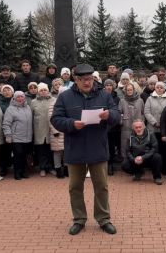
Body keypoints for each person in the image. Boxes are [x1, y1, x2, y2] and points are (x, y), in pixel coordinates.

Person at [51, 63, 120, 236]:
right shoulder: (65, 97)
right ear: (76, 79)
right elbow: (56, 119)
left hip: (98, 147)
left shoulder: (104, 94)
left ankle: (104, 219)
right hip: (75, 148)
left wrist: (109, 115)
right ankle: (79, 219)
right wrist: (71, 124)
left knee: (101, 186)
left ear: (93, 78)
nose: (86, 83)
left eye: (89, 79)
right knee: (75, 187)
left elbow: (117, 115)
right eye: (82, 79)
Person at [3, 91, 33, 180]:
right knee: (18, 156)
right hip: (16, 137)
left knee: (24, 155)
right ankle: (17, 173)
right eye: (18, 97)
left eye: (22, 97)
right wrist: (8, 135)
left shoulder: (28, 107)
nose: (20, 99)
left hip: (27, 137)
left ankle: (24, 171)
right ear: (14, 98)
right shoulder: (10, 109)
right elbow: (6, 123)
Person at [121, 119, 163, 185]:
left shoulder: (151, 134)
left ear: (144, 127)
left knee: (157, 157)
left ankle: (157, 177)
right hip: (136, 159)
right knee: (124, 165)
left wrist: (143, 157)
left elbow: (155, 148)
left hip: (148, 158)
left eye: (140, 127)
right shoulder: (130, 136)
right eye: (136, 127)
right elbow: (127, 151)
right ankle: (138, 172)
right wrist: (133, 159)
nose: (138, 129)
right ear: (133, 128)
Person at [31, 83, 55, 177]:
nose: (43, 92)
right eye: (41, 90)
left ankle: (51, 167)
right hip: (39, 129)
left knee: (51, 150)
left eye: (45, 90)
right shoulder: (33, 102)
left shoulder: (54, 100)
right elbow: (31, 116)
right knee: (41, 150)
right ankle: (42, 168)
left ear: (48, 90)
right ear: (38, 92)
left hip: (51, 129)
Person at [144, 81, 166, 172]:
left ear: (164, 89)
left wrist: (163, 123)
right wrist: (154, 122)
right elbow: (146, 112)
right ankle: (153, 167)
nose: (159, 89)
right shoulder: (149, 99)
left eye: (161, 87)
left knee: (164, 149)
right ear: (155, 88)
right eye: (157, 87)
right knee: (153, 148)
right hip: (152, 128)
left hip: (164, 129)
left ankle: (163, 167)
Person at [119, 83, 145, 159]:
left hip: (138, 127)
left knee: (138, 145)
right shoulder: (122, 101)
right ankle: (125, 161)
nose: (129, 91)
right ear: (125, 91)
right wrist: (122, 122)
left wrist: (142, 123)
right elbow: (119, 113)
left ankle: (138, 161)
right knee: (125, 145)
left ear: (134, 90)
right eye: (128, 90)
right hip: (126, 127)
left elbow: (143, 113)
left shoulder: (140, 100)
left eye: (131, 90)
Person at [103, 79, 121, 175]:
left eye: (110, 85)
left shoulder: (117, 98)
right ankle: (105, 164)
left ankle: (111, 165)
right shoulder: (101, 97)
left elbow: (117, 112)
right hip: (103, 126)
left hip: (114, 127)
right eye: (107, 85)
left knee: (112, 146)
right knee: (104, 146)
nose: (109, 87)